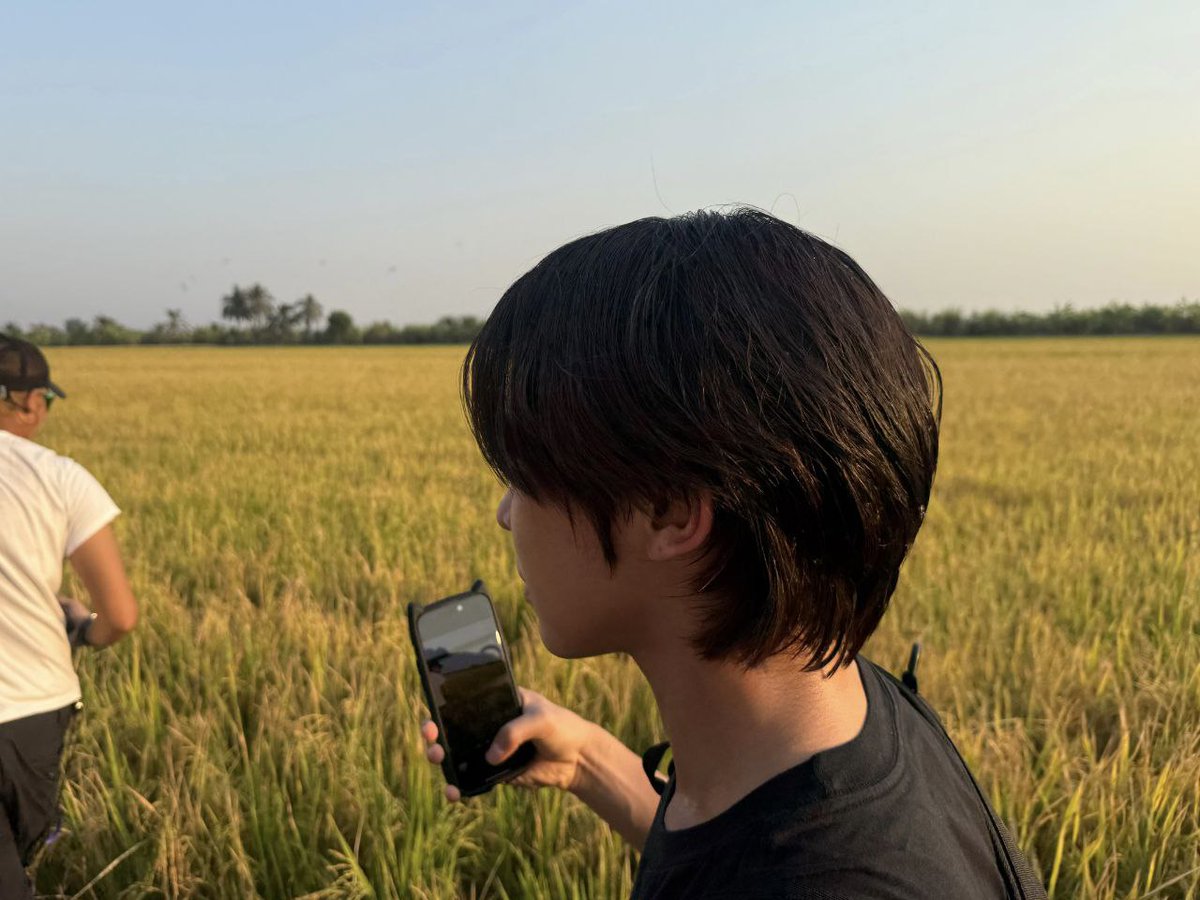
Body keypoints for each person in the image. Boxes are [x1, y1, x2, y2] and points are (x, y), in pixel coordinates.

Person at [420, 210, 1046, 898]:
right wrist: (589, 763)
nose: (505, 513)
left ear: (670, 512)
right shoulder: (846, 708)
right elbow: (744, 850)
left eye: (523, 474)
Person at [0, 334, 139, 899]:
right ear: (29, 402)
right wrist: (83, 627)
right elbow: (122, 616)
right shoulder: (58, 476)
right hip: (33, 711)